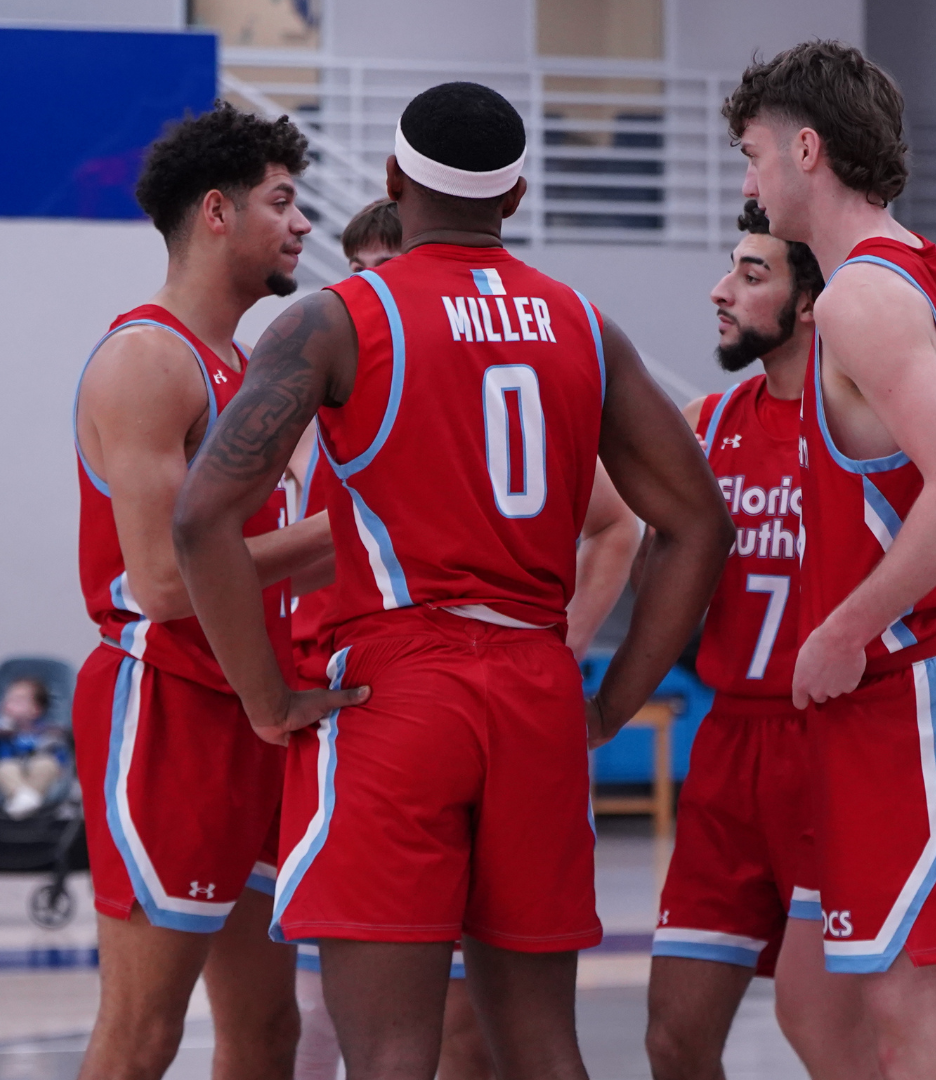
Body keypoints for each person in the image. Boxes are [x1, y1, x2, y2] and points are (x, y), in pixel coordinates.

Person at [173, 81, 732, 1080]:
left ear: (392, 182)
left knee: (391, 1052)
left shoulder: (337, 321)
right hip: (532, 687)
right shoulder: (584, 326)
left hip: (396, 690)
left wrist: (266, 700)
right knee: (545, 1049)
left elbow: (200, 517)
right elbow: (698, 524)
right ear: (516, 198)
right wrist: (606, 703)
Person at [725, 42, 936, 1080]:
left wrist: (853, 621)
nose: (747, 181)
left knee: (919, 1020)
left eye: (752, 155)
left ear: (808, 150)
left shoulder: (866, 300)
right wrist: (929, 575)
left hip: (912, 685)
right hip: (910, 677)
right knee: (831, 1010)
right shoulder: (927, 271)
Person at [286, 196, 641, 1080]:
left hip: (389, 700)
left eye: (389, 268)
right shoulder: (332, 381)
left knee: (427, 1036)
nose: (380, 291)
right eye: (364, 274)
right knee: (330, 1021)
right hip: (377, 699)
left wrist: (578, 656)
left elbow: (622, 524)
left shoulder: (390, 384)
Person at [69, 102, 355, 1080]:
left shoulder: (250, 369)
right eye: (284, 202)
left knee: (268, 1033)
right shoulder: (149, 360)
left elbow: (275, 554)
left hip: (257, 710)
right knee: (144, 1033)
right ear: (217, 212)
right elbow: (158, 582)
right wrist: (345, 531)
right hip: (169, 707)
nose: (304, 226)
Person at [645, 199, 880, 1080]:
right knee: (673, 1037)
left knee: (824, 1032)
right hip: (727, 748)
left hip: (833, 747)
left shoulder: (864, 424)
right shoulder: (707, 424)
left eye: (752, 276)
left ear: (812, 300)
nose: (722, 292)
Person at [0, 677, 68, 818]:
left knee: (47, 764)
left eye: (17, 701)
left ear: (35, 709)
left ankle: (24, 800)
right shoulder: (1, 726)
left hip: (38, 767)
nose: (8, 704)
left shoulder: (47, 731)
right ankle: (25, 797)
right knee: (3, 768)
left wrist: (61, 764)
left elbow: (59, 749)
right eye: (7, 700)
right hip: (11, 766)